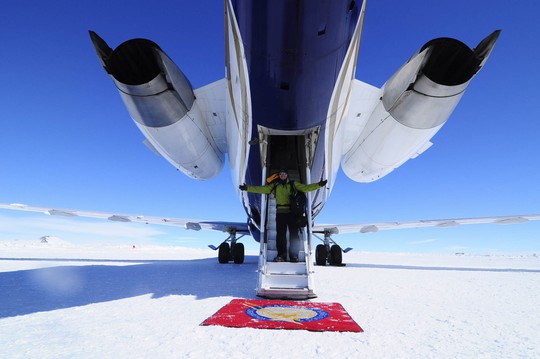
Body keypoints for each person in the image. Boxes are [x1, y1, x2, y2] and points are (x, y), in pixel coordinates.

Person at [239, 170, 327, 262]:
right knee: (280, 235)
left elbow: (305, 188)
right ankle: (281, 255)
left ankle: (294, 256)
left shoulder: (293, 184)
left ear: (287, 175)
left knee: (294, 235)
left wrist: (319, 185)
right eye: (281, 174)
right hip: (280, 213)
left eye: (284, 174)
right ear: (279, 175)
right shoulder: (275, 186)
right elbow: (261, 189)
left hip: (292, 213)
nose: (282, 175)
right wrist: (247, 188)